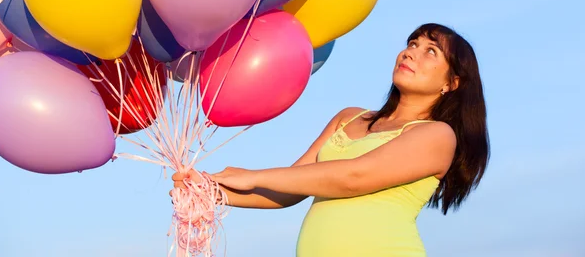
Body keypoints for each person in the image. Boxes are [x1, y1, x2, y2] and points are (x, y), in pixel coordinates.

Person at [172, 23, 490, 256]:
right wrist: (209, 190)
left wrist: (250, 176)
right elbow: (288, 192)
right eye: (413, 43)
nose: (410, 52)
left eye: (430, 51)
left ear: (451, 82)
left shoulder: (436, 135)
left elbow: (354, 176)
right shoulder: (349, 117)